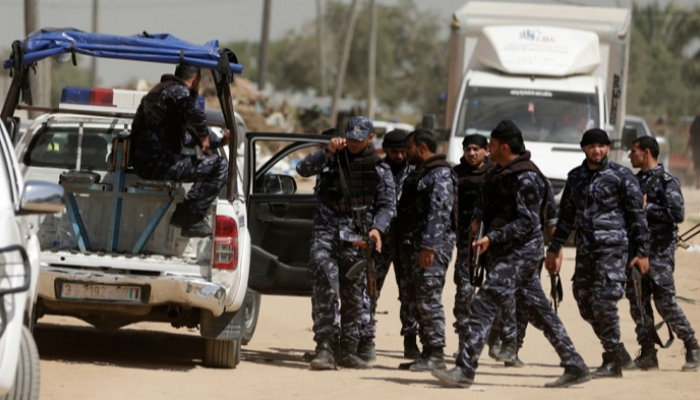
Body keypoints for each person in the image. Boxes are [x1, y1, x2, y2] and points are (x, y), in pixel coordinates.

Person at [432, 120, 590, 389]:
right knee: (540, 312)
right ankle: (575, 364)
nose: (487, 149)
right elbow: (484, 207)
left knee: (483, 303)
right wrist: (477, 227)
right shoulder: (498, 174)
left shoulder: (527, 177)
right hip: (503, 254)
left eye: (491, 145)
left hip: (521, 253)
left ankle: (465, 369)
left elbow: (528, 222)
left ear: (504, 147)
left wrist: (493, 237)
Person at [545, 128, 650, 378]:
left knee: (604, 301)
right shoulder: (575, 177)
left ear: (608, 148)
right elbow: (566, 217)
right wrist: (554, 248)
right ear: (584, 148)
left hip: (613, 250)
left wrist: (642, 251)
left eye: (601, 146)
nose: (597, 150)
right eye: (592, 146)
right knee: (584, 302)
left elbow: (637, 216)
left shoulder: (622, 176)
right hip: (586, 250)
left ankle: (612, 360)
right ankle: (618, 352)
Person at [296, 116, 396, 370]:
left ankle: (348, 349)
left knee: (353, 292)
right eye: (350, 138)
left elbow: (387, 206)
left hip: (356, 235)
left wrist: (377, 229)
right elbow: (302, 169)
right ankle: (325, 346)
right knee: (325, 284)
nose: (352, 143)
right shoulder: (330, 158)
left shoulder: (380, 168)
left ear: (370, 138)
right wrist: (327, 151)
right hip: (326, 231)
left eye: (358, 140)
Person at [626, 136, 700, 371]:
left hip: (659, 253)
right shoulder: (633, 182)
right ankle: (648, 353)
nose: (630, 155)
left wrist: (646, 207)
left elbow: (677, 213)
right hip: (636, 252)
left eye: (634, 151)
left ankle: (693, 347)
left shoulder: (667, 181)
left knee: (665, 303)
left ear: (646, 153)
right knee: (638, 302)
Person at [130, 64, 229, 237]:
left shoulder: (165, 94)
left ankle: (188, 216)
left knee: (214, 164)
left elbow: (188, 137)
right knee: (220, 166)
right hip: (157, 163)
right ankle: (189, 217)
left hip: (150, 163)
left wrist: (220, 141)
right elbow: (194, 112)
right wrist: (204, 135)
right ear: (195, 80)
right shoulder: (176, 90)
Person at [396, 129, 456, 372]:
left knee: (429, 299)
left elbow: (439, 212)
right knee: (418, 300)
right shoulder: (420, 172)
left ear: (422, 148)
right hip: (415, 245)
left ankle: (436, 353)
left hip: (431, 247)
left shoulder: (440, 173)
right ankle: (427, 352)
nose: (405, 152)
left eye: (409, 148)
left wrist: (429, 246)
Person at [359, 129, 420, 362]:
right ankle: (365, 339)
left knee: (409, 293)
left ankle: (410, 340)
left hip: (407, 242)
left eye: (404, 151)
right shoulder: (376, 169)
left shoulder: (416, 171)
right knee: (370, 290)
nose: (400, 156)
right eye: (395, 152)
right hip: (380, 242)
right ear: (386, 150)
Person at [451, 134, 502, 359]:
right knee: (464, 292)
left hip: (493, 242)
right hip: (466, 244)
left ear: (486, 151)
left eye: (476, 149)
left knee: (497, 291)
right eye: (467, 149)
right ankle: (465, 340)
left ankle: (496, 336)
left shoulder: (496, 174)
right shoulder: (455, 174)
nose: (471, 153)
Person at [687, 116, 700, 188]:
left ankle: (698, 181)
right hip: (696, 147)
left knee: (697, 166)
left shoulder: (694, 126)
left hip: (696, 147)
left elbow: (691, 134)